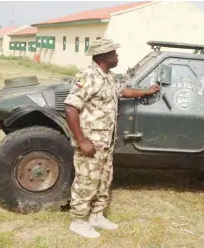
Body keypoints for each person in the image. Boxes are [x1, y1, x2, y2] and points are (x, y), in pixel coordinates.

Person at [64, 38, 160, 238]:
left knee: (104, 179)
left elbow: (122, 92)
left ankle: (96, 216)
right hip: (91, 141)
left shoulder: (108, 77)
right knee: (86, 180)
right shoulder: (88, 76)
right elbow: (71, 107)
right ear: (103, 56)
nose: (117, 56)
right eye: (114, 53)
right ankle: (79, 221)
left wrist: (145, 91)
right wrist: (81, 140)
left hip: (105, 141)